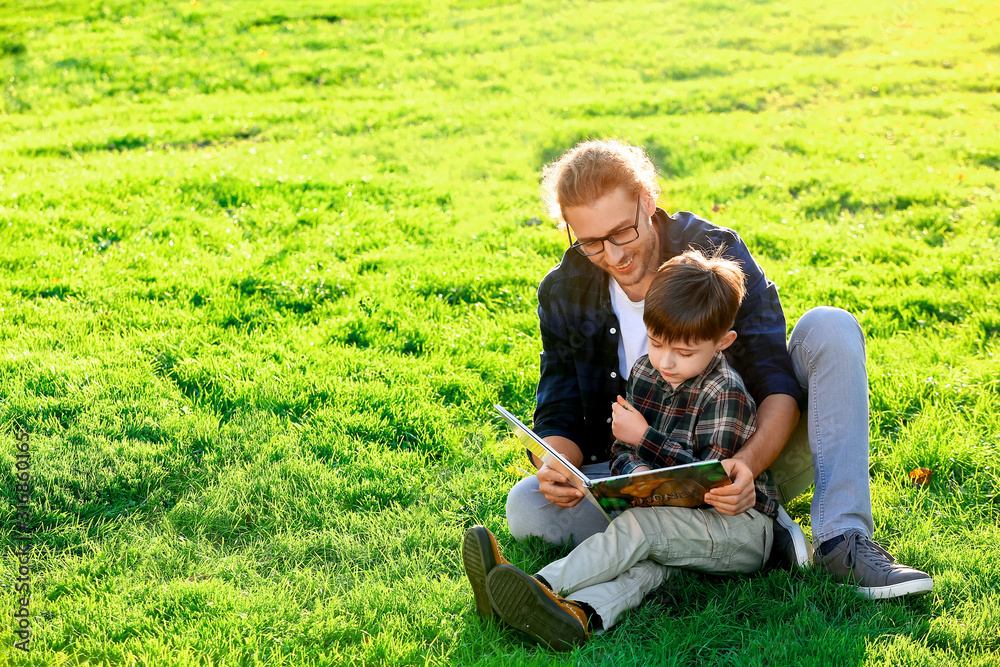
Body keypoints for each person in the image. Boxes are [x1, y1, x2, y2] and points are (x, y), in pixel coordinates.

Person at [504, 138, 932, 600]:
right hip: (645, 477)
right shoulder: (564, 289)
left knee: (829, 327)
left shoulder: (716, 252)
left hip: (747, 454)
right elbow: (559, 409)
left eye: (621, 232)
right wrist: (555, 464)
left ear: (649, 200)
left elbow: (774, 378)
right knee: (527, 506)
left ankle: (841, 541)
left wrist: (743, 468)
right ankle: (740, 538)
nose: (612, 255)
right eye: (590, 242)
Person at [462, 250, 774, 650]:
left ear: (722, 342)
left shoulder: (724, 391)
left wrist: (645, 440)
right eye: (657, 342)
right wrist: (631, 479)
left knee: (642, 529)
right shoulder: (646, 370)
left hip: (739, 530)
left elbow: (707, 483)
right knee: (650, 563)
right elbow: (620, 451)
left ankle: (538, 585)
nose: (666, 361)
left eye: (684, 352)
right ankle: (578, 615)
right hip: (675, 519)